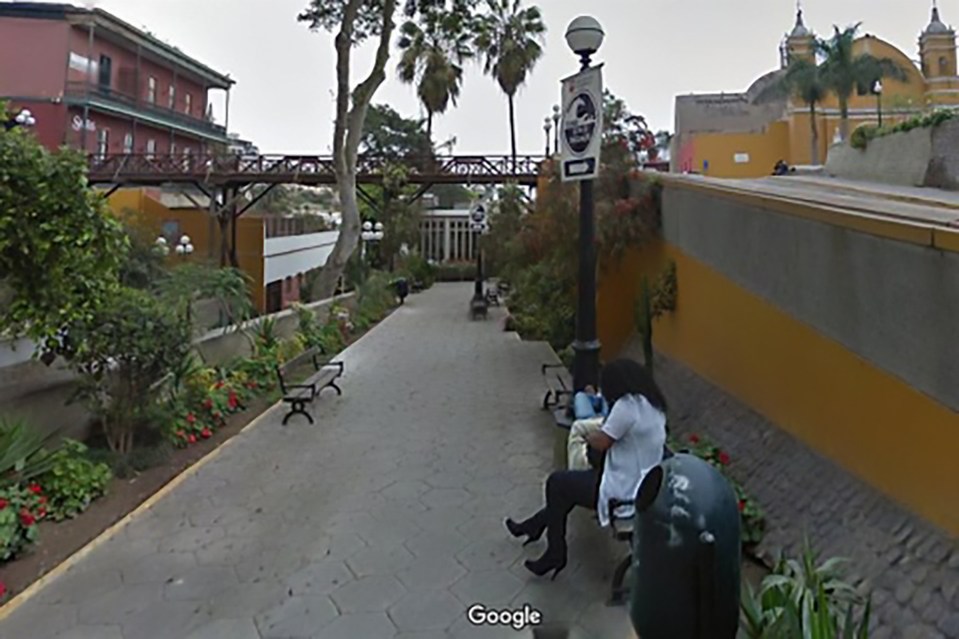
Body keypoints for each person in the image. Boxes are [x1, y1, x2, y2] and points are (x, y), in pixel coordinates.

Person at [505, 359, 668, 579]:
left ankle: (555, 552)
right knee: (565, 490)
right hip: (641, 485)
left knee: (557, 483)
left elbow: (601, 442)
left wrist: (589, 437)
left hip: (624, 494)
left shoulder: (626, 406)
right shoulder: (653, 405)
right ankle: (533, 527)